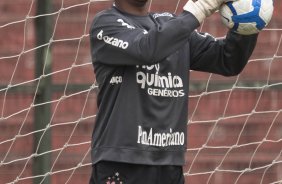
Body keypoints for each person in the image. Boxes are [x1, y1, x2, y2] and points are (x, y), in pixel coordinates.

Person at [88, 0, 258, 183]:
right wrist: (199, 8)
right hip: (121, 162)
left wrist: (248, 18)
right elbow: (146, 48)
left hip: (169, 166)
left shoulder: (170, 25)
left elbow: (228, 59)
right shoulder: (106, 24)